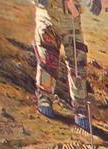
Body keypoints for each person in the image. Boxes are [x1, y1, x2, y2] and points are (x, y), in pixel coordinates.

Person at [33, 0, 102, 133]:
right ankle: (44, 98)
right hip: (48, 17)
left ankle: (80, 108)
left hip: (71, 21)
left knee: (78, 64)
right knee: (48, 59)